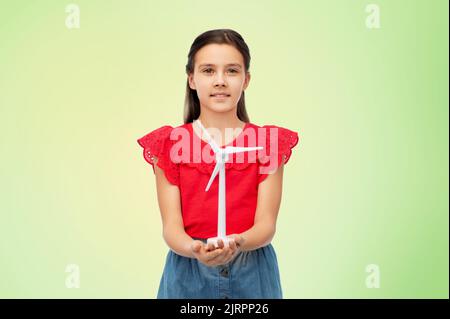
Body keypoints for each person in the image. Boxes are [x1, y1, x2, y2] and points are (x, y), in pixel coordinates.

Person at [137, 29, 299, 299]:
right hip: (188, 272)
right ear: (192, 79)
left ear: (246, 80)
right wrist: (194, 250)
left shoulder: (267, 143)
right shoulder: (170, 144)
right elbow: (171, 227)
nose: (220, 81)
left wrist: (238, 242)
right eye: (208, 70)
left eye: (232, 71)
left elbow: (266, 224)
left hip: (252, 272)